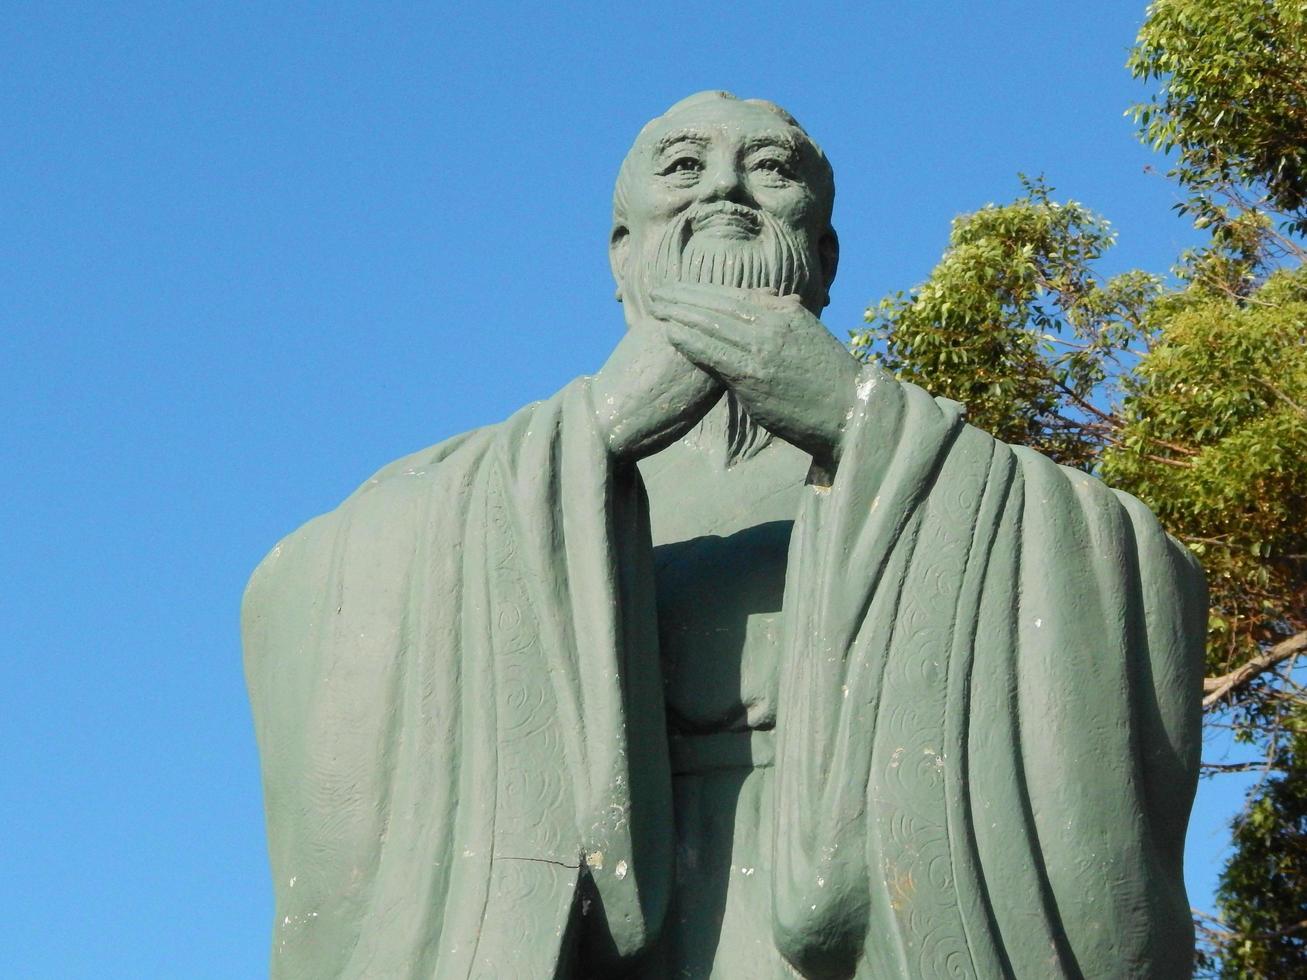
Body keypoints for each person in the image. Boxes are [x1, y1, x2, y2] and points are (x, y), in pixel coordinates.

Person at [244, 92, 1206, 978]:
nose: (724, 190)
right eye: (680, 166)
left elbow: (1132, 563)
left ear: (824, 257)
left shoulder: (946, 476)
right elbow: (305, 593)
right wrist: (593, 434)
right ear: (621, 253)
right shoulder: (481, 483)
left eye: (770, 168)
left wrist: (855, 417)